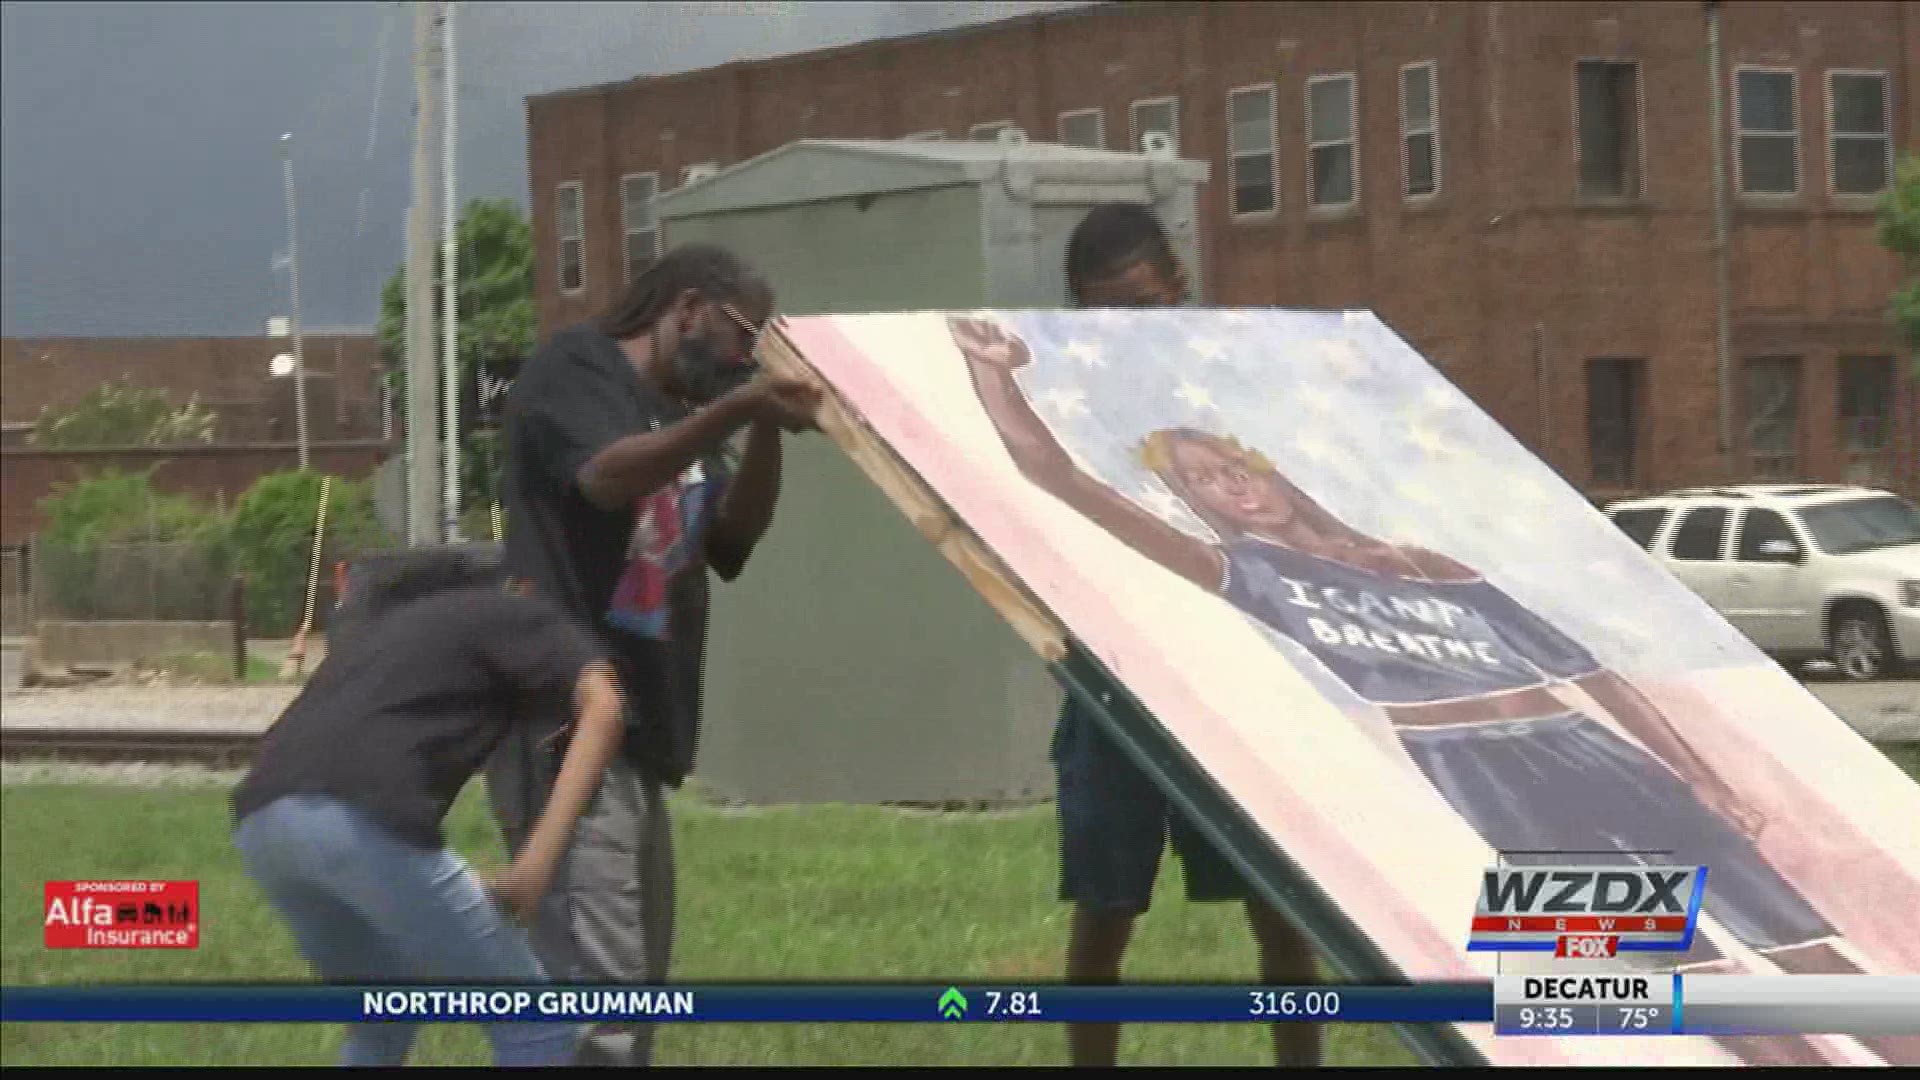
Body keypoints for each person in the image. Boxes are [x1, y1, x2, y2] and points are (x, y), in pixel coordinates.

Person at [949, 309, 1911, 1066]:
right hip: (1480, 780)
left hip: (1590, 752)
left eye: (1231, 466)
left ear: (1267, 469)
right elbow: (1059, 479)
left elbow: (1591, 670)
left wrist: (1699, 773)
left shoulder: (1420, 560)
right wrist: (992, 376)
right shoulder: (1249, 574)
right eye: (1201, 486)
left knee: (1806, 954)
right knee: (1677, 976)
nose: (1228, 488)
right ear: (1193, 510)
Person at [491, 243, 820, 1066]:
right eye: (742, 333)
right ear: (687, 306)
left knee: (628, 994)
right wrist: (741, 408)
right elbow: (605, 479)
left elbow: (732, 543)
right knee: (598, 1005)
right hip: (563, 720)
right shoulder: (579, 368)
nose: (745, 357)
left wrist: (768, 427)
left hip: (637, 731)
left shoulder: (689, 416)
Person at [1040, 203, 1324, 1069]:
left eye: (1142, 304)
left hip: (1231, 680)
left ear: (1179, 285)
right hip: (1115, 685)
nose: (1125, 327)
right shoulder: (1066, 395)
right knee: (1106, 910)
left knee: (1282, 906)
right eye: (1101, 312)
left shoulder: (1233, 383)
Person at [230, 551, 625, 1068]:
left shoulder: (394, 629)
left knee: (383, 1020)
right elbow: (605, 705)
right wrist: (535, 867)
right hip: (355, 820)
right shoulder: (518, 609)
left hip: (263, 822)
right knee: (537, 1027)